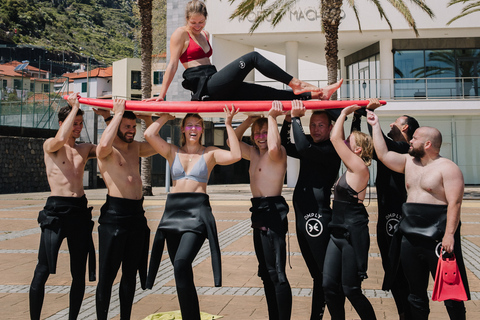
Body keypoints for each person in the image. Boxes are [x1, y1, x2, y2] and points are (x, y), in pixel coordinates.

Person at [367, 111, 470, 320]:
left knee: (451, 294)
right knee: (415, 294)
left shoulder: (448, 168)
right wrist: (375, 125)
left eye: (414, 139)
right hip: (410, 235)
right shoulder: (409, 163)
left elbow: (455, 203)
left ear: (428, 144)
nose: (410, 141)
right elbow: (383, 154)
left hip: (437, 236)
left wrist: (450, 235)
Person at [144, 107, 241, 320]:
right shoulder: (172, 152)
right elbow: (149, 135)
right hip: (173, 214)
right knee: (182, 273)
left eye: (197, 124)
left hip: (196, 214)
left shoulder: (210, 153)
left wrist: (227, 124)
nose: (194, 128)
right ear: (183, 129)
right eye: (189, 124)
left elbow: (236, 154)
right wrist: (163, 117)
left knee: (181, 262)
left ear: (202, 129)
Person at [146, 0, 342, 102]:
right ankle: (297, 83)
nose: (197, 26)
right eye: (193, 22)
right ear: (186, 19)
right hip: (205, 87)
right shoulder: (180, 34)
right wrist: (162, 95)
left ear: (206, 18)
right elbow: (172, 64)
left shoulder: (204, 34)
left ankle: (317, 93)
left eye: (201, 22)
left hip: (215, 81)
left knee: (268, 92)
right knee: (253, 57)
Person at [29, 93, 110, 320]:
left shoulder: (83, 149)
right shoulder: (51, 146)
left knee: (78, 272)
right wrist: (74, 108)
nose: (78, 127)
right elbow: (59, 139)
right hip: (56, 210)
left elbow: (106, 147)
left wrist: (107, 117)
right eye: (74, 123)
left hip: (79, 211)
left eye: (81, 123)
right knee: (43, 269)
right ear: (62, 124)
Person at [353, 100, 419, 320]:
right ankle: (403, 313)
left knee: (402, 274)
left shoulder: (406, 150)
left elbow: (381, 145)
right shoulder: (387, 147)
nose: (392, 124)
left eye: (396, 122)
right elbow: (362, 144)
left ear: (405, 128)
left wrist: (370, 114)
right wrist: (359, 115)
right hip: (385, 221)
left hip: (398, 220)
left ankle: (408, 314)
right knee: (392, 272)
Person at [95, 99, 157, 320]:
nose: (132, 131)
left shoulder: (135, 148)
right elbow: (102, 147)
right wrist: (115, 115)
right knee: (107, 276)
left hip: (136, 217)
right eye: (127, 127)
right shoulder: (108, 149)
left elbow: (156, 144)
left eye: (134, 127)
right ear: (118, 124)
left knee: (130, 275)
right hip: (115, 216)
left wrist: (151, 118)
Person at [279, 101, 341, 319]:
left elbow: (303, 147)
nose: (315, 129)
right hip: (303, 218)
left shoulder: (330, 149)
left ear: (331, 128)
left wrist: (296, 118)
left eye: (320, 125)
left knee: (326, 275)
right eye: (312, 124)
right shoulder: (312, 149)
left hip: (317, 218)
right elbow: (284, 144)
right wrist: (288, 121)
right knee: (317, 275)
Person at [233, 101, 292, 320]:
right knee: (266, 274)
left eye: (265, 133)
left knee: (277, 274)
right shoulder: (253, 153)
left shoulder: (277, 154)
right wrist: (247, 119)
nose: (260, 137)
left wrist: (272, 117)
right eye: (257, 133)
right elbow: (234, 141)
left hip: (273, 213)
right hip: (258, 213)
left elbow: (275, 146)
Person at [322, 104, 377, 320]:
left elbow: (335, 139)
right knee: (328, 286)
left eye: (349, 143)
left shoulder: (360, 167)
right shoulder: (351, 167)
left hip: (352, 235)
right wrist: (353, 117)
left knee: (351, 290)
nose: (344, 143)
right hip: (337, 233)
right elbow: (342, 139)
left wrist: (343, 113)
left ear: (358, 151)